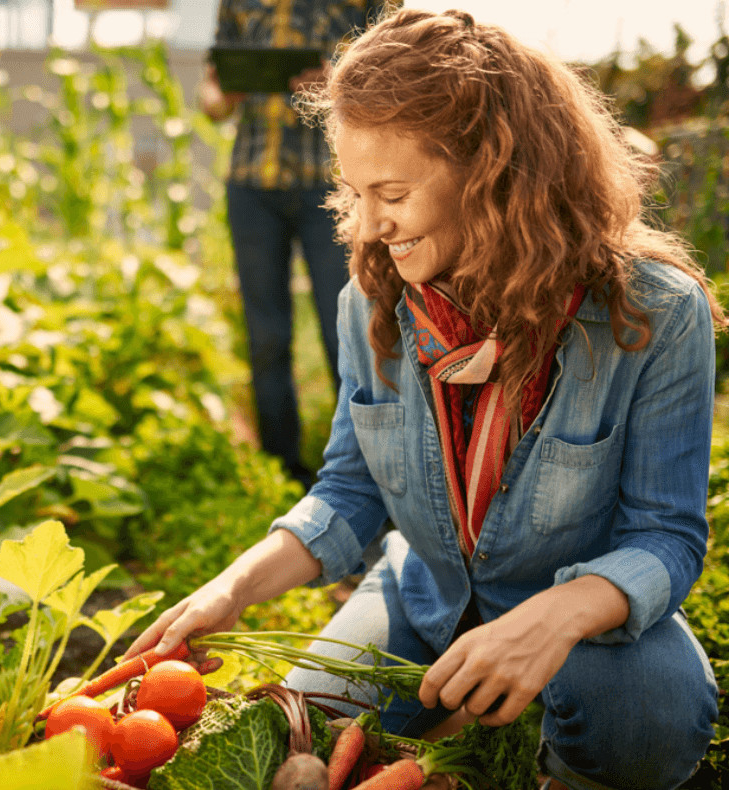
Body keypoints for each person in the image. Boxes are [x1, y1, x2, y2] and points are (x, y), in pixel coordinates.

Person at [128, 8, 721, 790]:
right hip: (425, 595)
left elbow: (666, 537)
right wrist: (232, 588)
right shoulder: (370, 302)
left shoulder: (654, 314)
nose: (369, 227)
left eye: (393, 193)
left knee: (651, 728)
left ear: (492, 172)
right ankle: (458, 713)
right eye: (354, 192)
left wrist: (557, 615)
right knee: (299, 735)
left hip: (584, 619)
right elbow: (350, 490)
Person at [199, 0, 390, 486]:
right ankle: (283, 466)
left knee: (346, 328)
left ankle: (363, 467)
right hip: (252, 185)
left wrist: (335, 87)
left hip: (333, 187)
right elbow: (212, 98)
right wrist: (229, 90)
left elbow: (397, 84)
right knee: (266, 336)